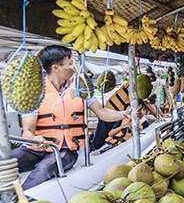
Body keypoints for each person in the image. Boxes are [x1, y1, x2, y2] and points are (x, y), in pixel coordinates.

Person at [12, 46, 130, 189]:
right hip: (36, 148)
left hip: (65, 150)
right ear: (56, 67)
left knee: (44, 169)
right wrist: (34, 139)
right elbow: (27, 131)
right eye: (70, 63)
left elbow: (102, 112)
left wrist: (124, 114)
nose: (74, 67)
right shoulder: (35, 90)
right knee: (3, 162)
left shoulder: (80, 87)